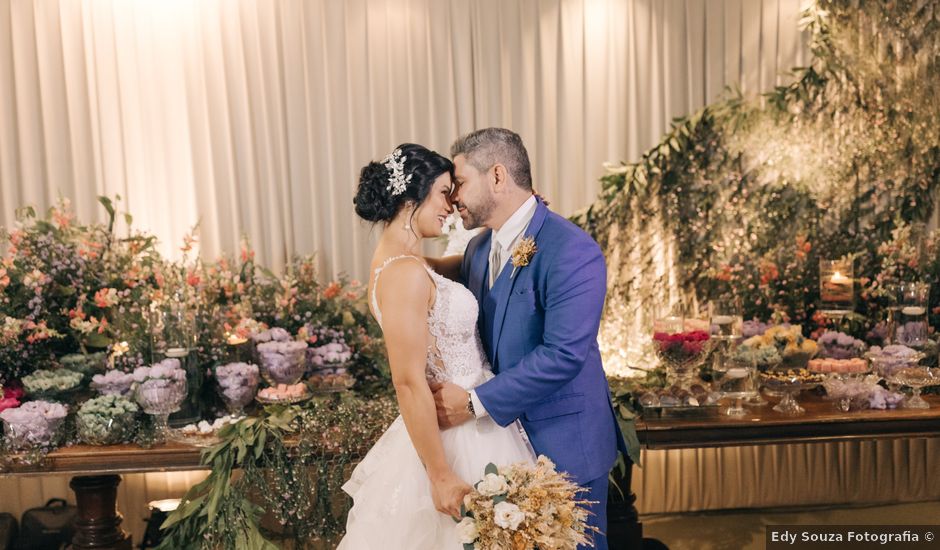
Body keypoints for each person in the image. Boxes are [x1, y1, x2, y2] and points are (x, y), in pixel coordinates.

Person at [429, 128, 628, 550]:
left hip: (565, 448)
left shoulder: (572, 249)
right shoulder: (479, 249)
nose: (453, 198)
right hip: (504, 451)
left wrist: (471, 404)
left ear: (497, 176)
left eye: (460, 183)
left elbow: (563, 355)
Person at [338, 143, 535, 550]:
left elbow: (447, 268)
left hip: (478, 417)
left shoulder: (404, 263)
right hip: (458, 434)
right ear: (413, 194)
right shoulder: (404, 274)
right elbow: (408, 382)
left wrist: (516, 220)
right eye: (445, 192)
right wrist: (441, 475)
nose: (452, 205)